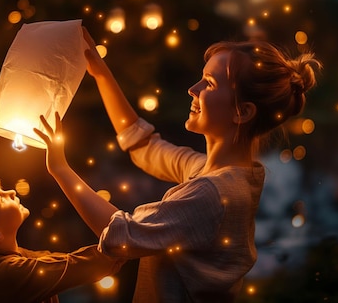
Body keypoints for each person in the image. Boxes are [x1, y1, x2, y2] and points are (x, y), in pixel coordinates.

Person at [34, 27, 322, 302]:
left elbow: (120, 236)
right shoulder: (225, 176)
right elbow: (143, 146)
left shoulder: (212, 194)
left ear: (242, 111)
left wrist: (60, 169)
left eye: (209, 84)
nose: (192, 89)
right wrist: (101, 74)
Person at [0, 170, 123, 303]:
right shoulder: (6, 275)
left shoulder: (19, 260)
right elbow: (98, 261)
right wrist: (60, 170)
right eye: (0, 198)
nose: (11, 192)